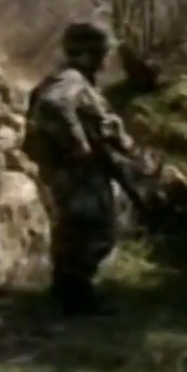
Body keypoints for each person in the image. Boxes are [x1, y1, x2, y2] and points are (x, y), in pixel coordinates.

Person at [22, 21, 132, 317]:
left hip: (77, 171)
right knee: (92, 230)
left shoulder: (77, 81)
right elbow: (54, 105)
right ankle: (76, 298)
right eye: (103, 52)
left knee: (79, 231)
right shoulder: (70, 82)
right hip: (76, 173)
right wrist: (78, 145)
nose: (107, 59)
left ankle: (70, 295)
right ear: (88, 52)